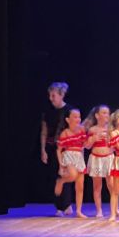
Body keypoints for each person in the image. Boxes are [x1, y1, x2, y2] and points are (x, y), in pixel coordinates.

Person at [41, 82, 73, 216]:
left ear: (61, 95)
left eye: (53, 95)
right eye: (50, 95)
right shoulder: (48, 112)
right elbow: (44, 132)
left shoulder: (70, 110)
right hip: (52, 147)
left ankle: (66, 205)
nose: (50, 98)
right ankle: (60, 206)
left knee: (65, 175)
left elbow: (74, 130)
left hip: (66, 148)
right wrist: (43, 150)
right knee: (54, 176)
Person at [55, 108, 89, 218]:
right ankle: (61, 181)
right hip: (68, 155)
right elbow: (59, 150)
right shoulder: (65, 133)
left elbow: (84, 145)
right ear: (68, 120)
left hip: (79, 157)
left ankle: (78, 211)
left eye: (79, 117)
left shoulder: (82, 130)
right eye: (75, 117)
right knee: (73, 175)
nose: (78, 119)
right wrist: (61, 166)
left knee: (80, 186)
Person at [85, 105, 114, 218]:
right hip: (96, 159)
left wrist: (110, 141)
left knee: (111, 185)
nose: (107, 115)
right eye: (104, 113)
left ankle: (115, 209)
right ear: (97, 116)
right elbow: (87, 146)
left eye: (108, 113)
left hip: (108, 158)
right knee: (97, 186)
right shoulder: (92, 129)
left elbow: (115, 146)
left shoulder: (111, 129)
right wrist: (93, 139)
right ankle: (99, 210)